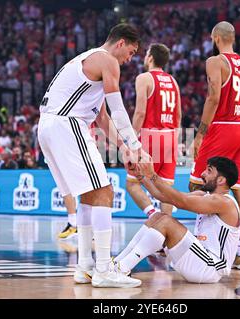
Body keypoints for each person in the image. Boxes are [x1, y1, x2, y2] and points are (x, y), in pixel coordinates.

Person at [37, 23, 144, 288]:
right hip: (67, 124)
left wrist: (124, 148)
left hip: (49, 126)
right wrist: (137, 145)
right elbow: (119, 110)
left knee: (88, 193)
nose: (129, 59)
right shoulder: (107, 60)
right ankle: (104, 269)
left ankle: (84, 266)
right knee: (104, 191)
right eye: (130, 52)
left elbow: (104, 119)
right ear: (120, 43)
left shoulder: (88, 61)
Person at [190, 22, 240, 270]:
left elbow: (214, 96)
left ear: (215, 37)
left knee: (197, 183)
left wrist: (200, 132)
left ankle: (204, 244)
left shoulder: (215, 61)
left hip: (223, 127)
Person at [114, 156, 240, 284]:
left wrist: (152, 174)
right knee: (158, 216)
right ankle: (116, 263)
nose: (202, 174)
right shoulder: (207, 196)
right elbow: (163, 196)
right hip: (200, 259)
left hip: (210, 268)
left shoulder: (224, 202)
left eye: (209, 171)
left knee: (167, 222)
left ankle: (122, 269)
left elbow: (181, 201)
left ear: (221, 180)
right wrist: (141, 175)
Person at [126, 43, 181, 217]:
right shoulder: (173, 81)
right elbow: (178, 115)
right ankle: (168, 232)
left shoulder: (144, 78)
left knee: (132, 183)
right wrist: (176, 141)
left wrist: (131, 140)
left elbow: (140, 112)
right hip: (171, 136)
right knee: (165, 188)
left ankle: (153, 215)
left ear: (150, 57)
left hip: (151, 135)